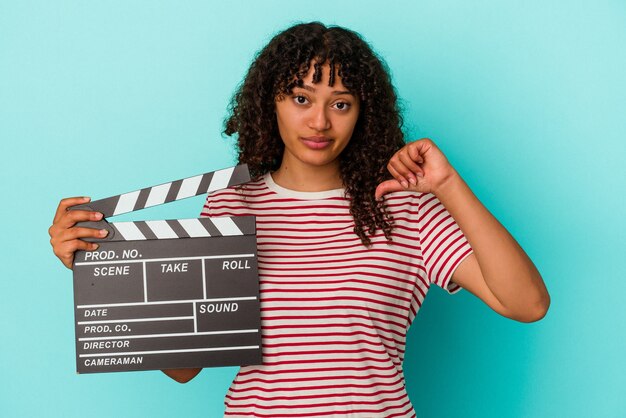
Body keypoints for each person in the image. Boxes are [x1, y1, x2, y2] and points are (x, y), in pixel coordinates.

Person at [49, 22, 550, 418]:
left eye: (341, 103)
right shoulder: (231, 207)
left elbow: (526, 303)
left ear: (363, 113)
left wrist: (448, 186)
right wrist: (100, 272)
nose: (319, 122)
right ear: (271, 102)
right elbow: (184, 368)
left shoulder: (404, 207)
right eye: (301, 98)